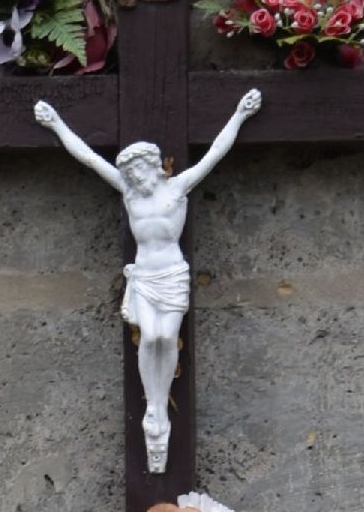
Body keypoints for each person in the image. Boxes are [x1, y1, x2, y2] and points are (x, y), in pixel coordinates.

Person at [32, 87, 263, 469]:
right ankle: (154, 408)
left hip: (171, 273)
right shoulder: (129, 194)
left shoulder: (179, 187)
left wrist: (240, 114)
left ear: (154, 166)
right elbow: (88, 158)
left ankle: (160, 404)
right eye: (130, 174)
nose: (135, 178)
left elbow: (216, 153)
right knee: (149, 338)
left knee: (164, 337)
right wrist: (56, 124)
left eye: (139, 171)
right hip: (144, 276)